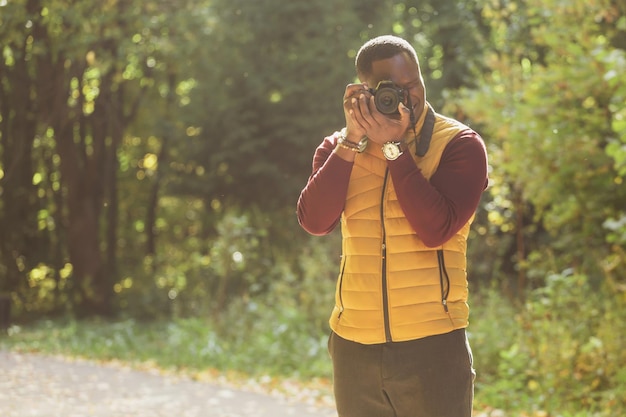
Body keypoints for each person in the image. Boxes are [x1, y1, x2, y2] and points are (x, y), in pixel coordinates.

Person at [296, 35, 489, 417]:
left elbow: (436, 229)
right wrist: (353, 139)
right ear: (362, 91)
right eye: (390, 89)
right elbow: (315, 222)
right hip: (353, 345)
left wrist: (394, 150)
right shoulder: (339, 147)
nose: (405, 96)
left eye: (412, 83)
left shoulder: (460, 144)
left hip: (432, 342)